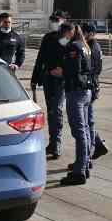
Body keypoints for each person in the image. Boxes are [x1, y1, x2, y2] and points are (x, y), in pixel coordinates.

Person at [54, 23, 95, 186]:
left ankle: (79, 171)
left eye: (64, 33)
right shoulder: (85, 46)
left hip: (76, 92)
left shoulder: (74, 47)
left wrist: (61, 72)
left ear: (70, 33)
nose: (64, 37)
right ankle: (83, 166)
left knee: (79, 132)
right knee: (84, 130)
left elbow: (74, 70)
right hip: (86, 92)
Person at [31, 11, 68, 159]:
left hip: (61, 80)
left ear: (63, 21)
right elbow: (40, 59)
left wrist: (64, 70)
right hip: (47, 77)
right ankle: (52, 142)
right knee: (51, 110)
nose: (53, 22)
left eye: (56, 20)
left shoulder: (67, 37)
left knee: (57, 110)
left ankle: (57, 142)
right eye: (52, 20)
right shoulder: (47, 37)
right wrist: (34, 78)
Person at [86, 26, 109, 159]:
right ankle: (98, 144)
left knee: (87, 120)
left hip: (90, 86)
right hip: (93, 85)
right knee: (87, 119)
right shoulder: (95, 46)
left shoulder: (91, 48)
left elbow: (93, 69)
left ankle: (95, 147)